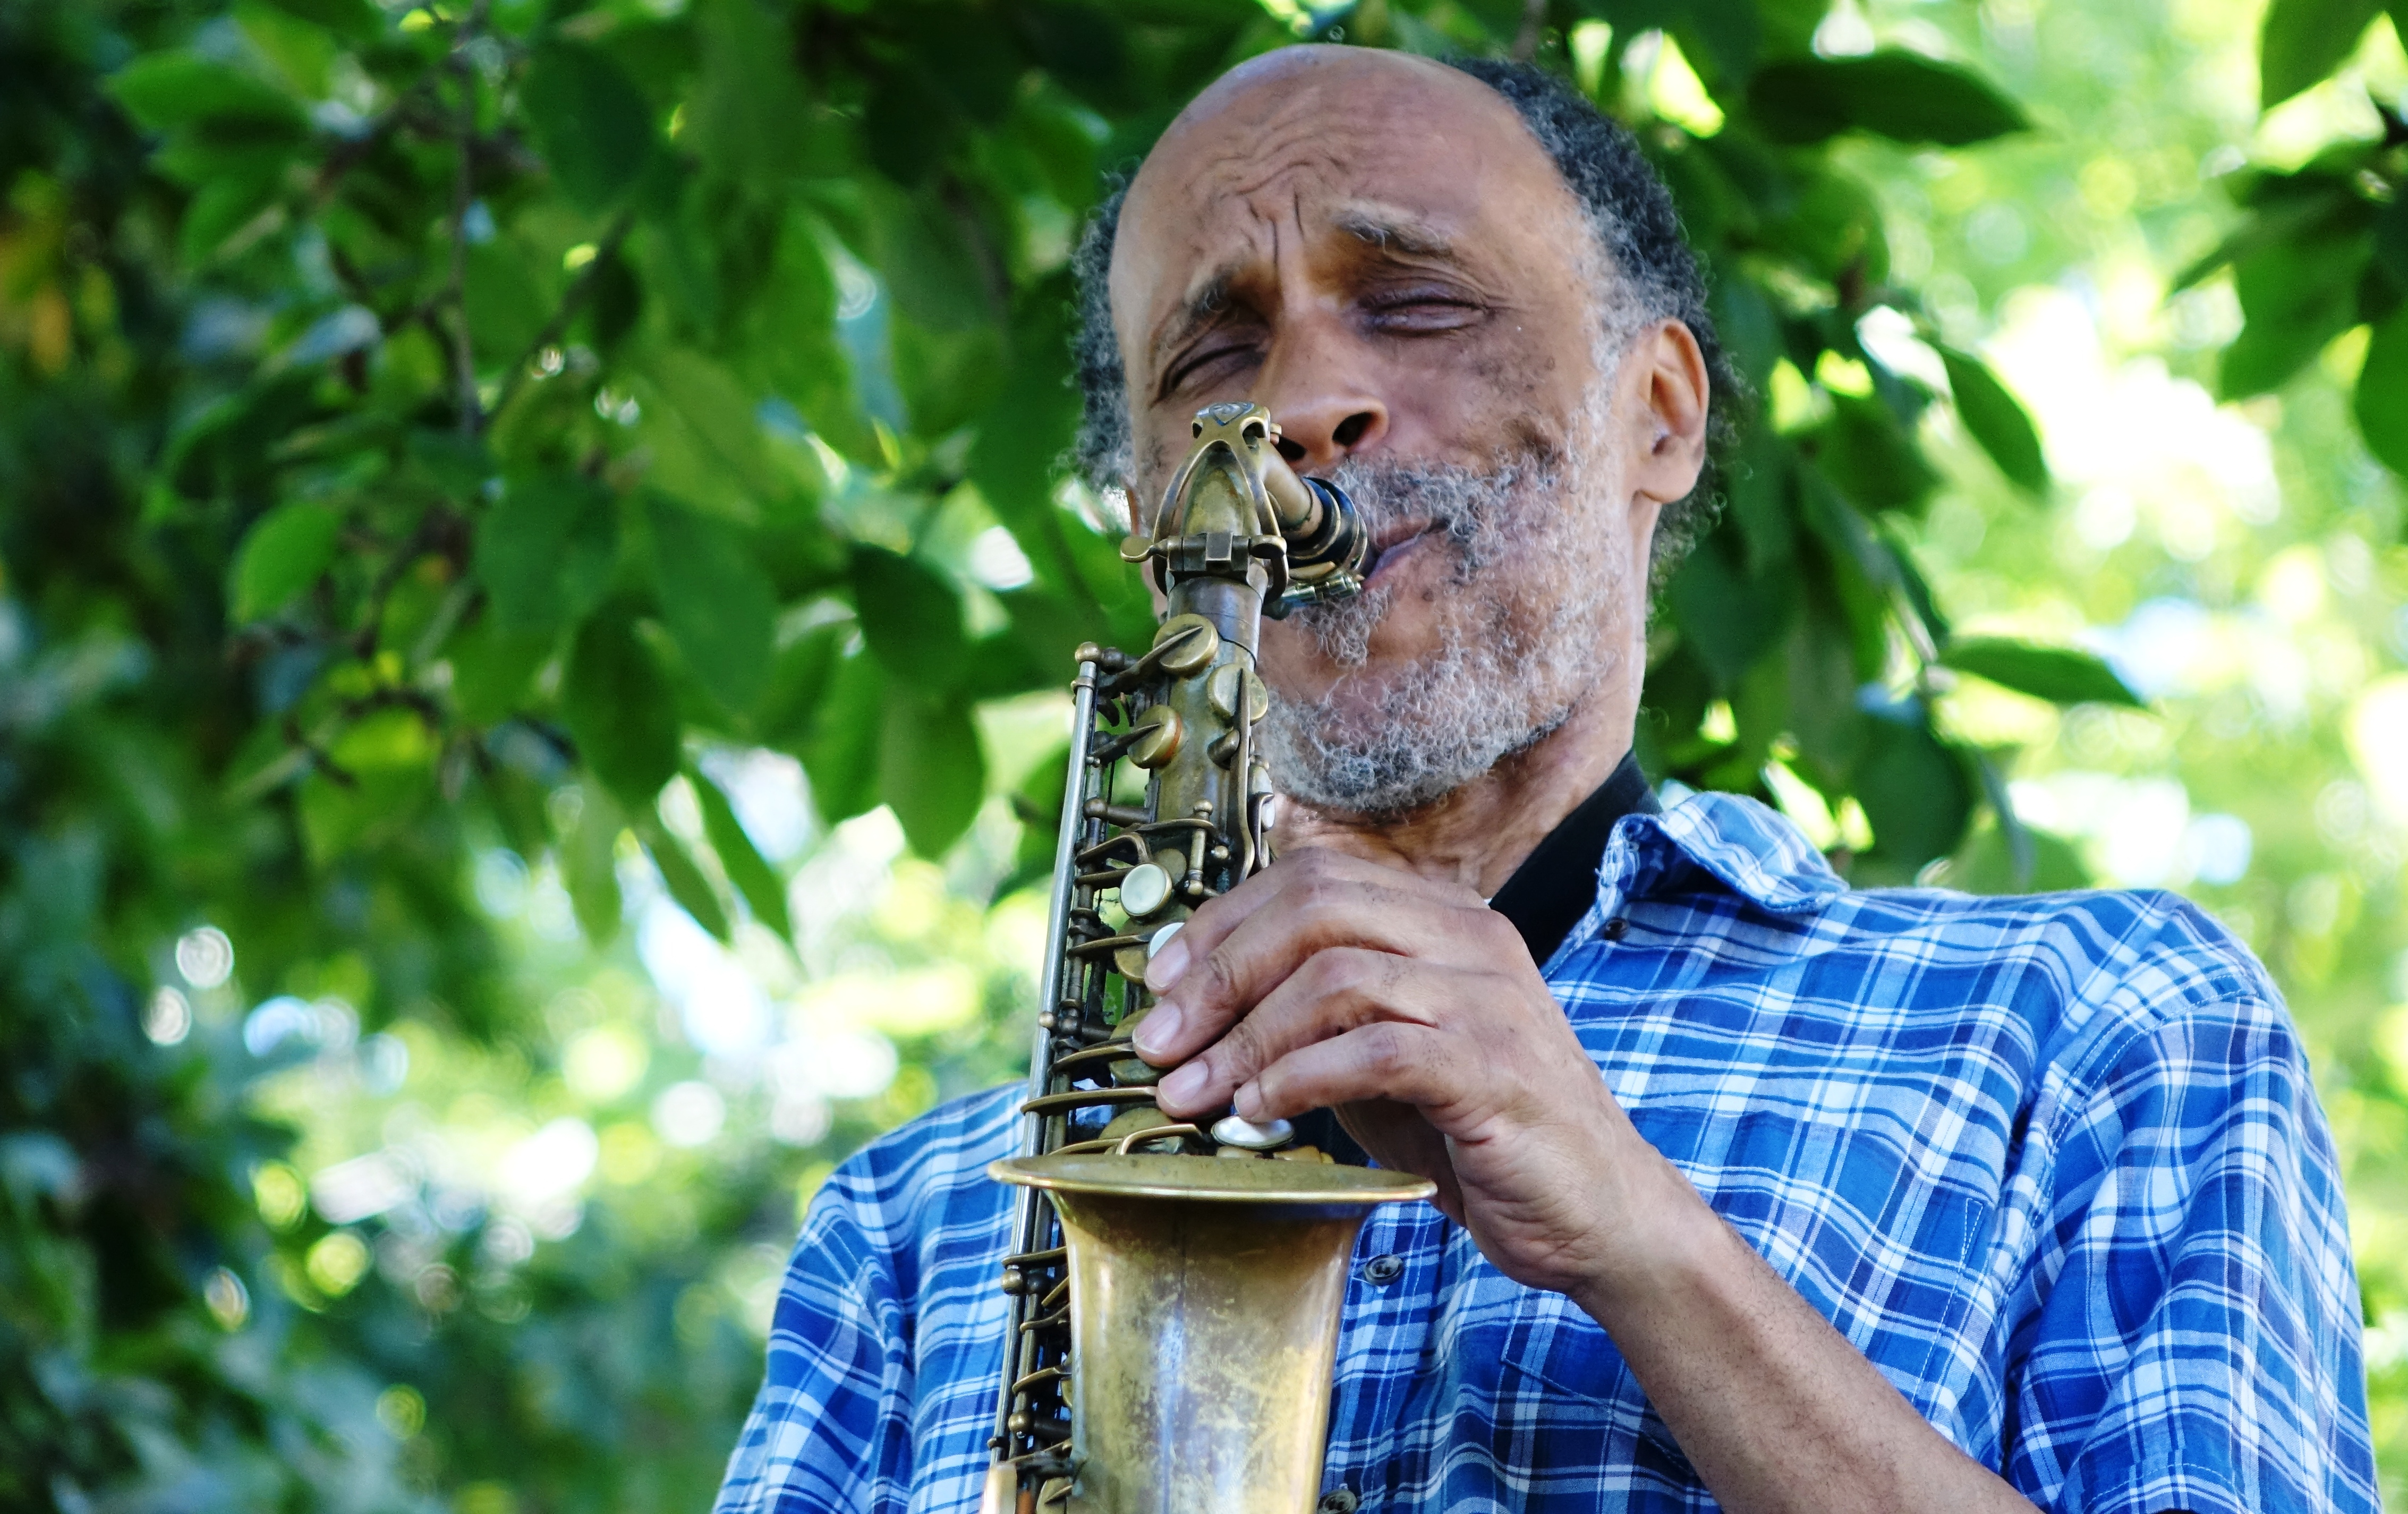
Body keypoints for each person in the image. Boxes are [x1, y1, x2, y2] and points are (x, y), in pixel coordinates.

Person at [714, 46, 2377, 1514]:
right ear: (1146, 518)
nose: (1298, 407)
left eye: (1415, 301)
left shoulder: (2097, 1029)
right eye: (1212, 360)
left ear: (1657, 413)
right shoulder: (909, 1229)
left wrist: (1643, 1238)